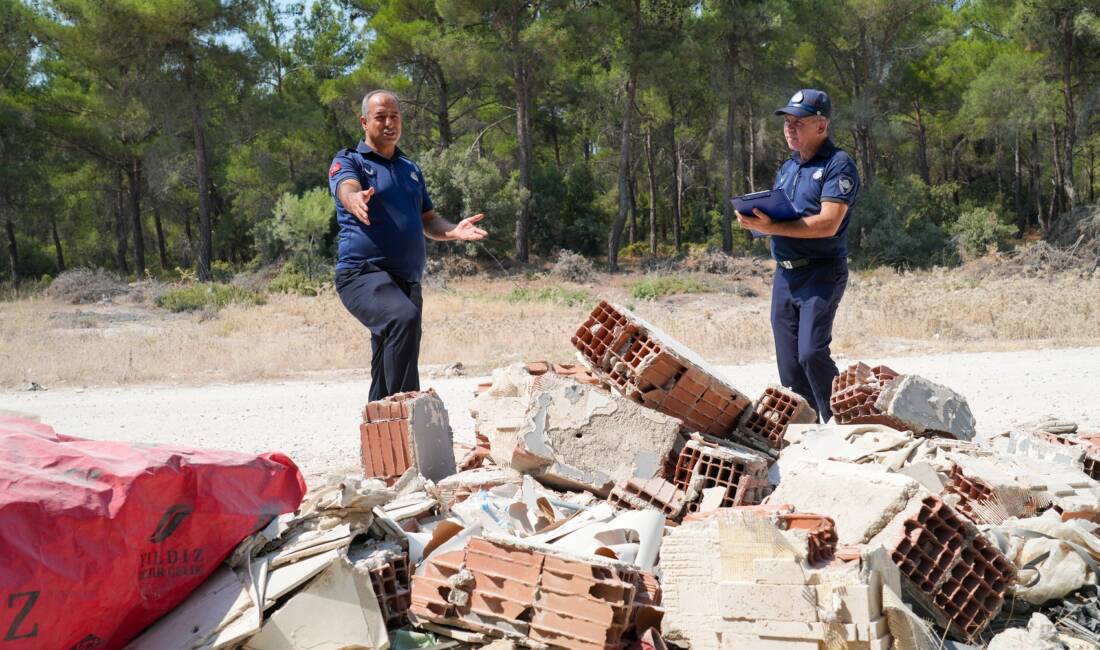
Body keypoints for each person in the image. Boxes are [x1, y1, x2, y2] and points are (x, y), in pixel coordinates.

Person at [329, 90, 487, 401]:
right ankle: (406, 412)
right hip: (362, 275)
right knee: (403, 318)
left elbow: (428, 220)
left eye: (395, 116)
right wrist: (353, 198)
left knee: (386, 360)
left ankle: (381, 435)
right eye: (380, 117)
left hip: (406, 283)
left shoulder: (410, 169)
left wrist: (454, 230)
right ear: (364, 122)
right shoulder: (350, 161)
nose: (389, 123)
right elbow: (345, 188)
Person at [735, 89, 860, 422]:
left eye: (798, 122)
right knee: (789, 364)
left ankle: (840, 422)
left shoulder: (838, 165)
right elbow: (782, 220)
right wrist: (755, 221)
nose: (790, 128)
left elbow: (827, 224)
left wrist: (773, 225)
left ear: (821, 125)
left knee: (812, 353)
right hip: (785, 276)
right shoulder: (788, 168)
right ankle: (808, 428)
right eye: (787, 122)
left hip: (821, 272)